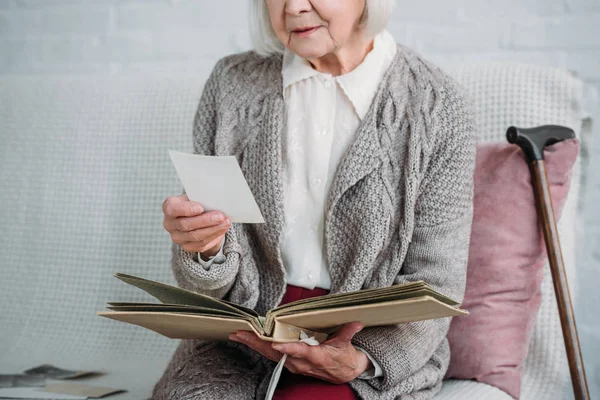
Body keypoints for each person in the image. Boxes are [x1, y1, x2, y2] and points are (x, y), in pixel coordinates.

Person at [154, 0, 476, 398]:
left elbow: (436, 283)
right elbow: (204, 292)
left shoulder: (440, 106)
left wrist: (361, 360)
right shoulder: (231, 83)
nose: (293, 7)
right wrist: (205, 249)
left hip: (362, 341)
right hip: (238, 339)